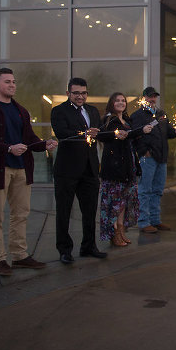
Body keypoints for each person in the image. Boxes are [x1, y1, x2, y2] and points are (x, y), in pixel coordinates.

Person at [0, 68, 57, 276]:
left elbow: (28, 138)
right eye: (8, 82)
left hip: (21, 169)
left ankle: (19, 255)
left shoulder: (21, 110)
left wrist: (44, 144)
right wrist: (8, 148)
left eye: (14, 82)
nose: (12, 85)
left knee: (21, 214)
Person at [51, 77, 112, 264]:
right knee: (64, 211)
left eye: (83, 93)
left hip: (90, 168)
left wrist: (115, 133)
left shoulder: (92, 110)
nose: (80, 96)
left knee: (90, 210)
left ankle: (88, 246)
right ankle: (64, 250)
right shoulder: (59, 111)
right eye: (76, 93)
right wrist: (83, 134)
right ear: (68, 93)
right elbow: (62, 133)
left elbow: (99, 132)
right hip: (67, 169)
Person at [98, 93, 152, 247]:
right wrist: (141, 130)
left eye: (123, 101)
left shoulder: (127, 120)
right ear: (111, 103)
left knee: (124, 202)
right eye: (117, 101)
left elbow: (130, 137)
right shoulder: (110, 120)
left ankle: (121, 230)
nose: (121, 103)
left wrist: (140, 133)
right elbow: (107, 135)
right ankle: (114, 232)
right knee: (114, 202)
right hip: (115, 168)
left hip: (129, 166)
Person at [130, 86, 176, 234]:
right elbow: (133, 136)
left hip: (162, 158)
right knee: (145, 191)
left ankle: (155, 220)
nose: (152, 99)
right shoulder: (137, 115)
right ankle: (143, 222)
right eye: (149, 96)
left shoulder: (161, 114)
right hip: (148, 159)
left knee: (158, 191)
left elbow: (167, 133)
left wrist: (175, 132)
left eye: (154, 97)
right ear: (144, 98)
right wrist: (143, 151)